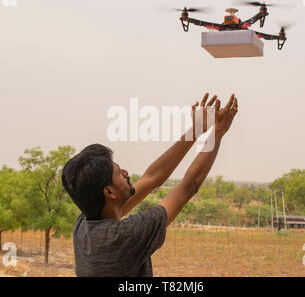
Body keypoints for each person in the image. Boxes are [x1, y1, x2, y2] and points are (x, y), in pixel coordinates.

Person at [61, 93, 238, 277]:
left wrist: (196, 130)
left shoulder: (83, 226)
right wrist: (218, 131)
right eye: (118, 172)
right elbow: (189, 186)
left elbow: (152, 177)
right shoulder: (125, 237)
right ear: (109, 192)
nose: (125, 173)